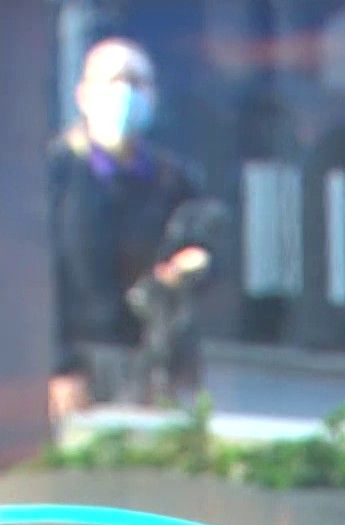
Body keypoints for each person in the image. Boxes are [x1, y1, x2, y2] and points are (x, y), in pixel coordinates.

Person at [48, 38, 218, 417]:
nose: (125, 93)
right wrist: (57, 367)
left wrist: (190, 266)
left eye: (137, 82)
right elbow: (37, 282)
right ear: (84, 95)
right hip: (79, 366)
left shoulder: (174, 180)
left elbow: (204, 248)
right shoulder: (55, 176)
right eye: (113, 80)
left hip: (154, 367)